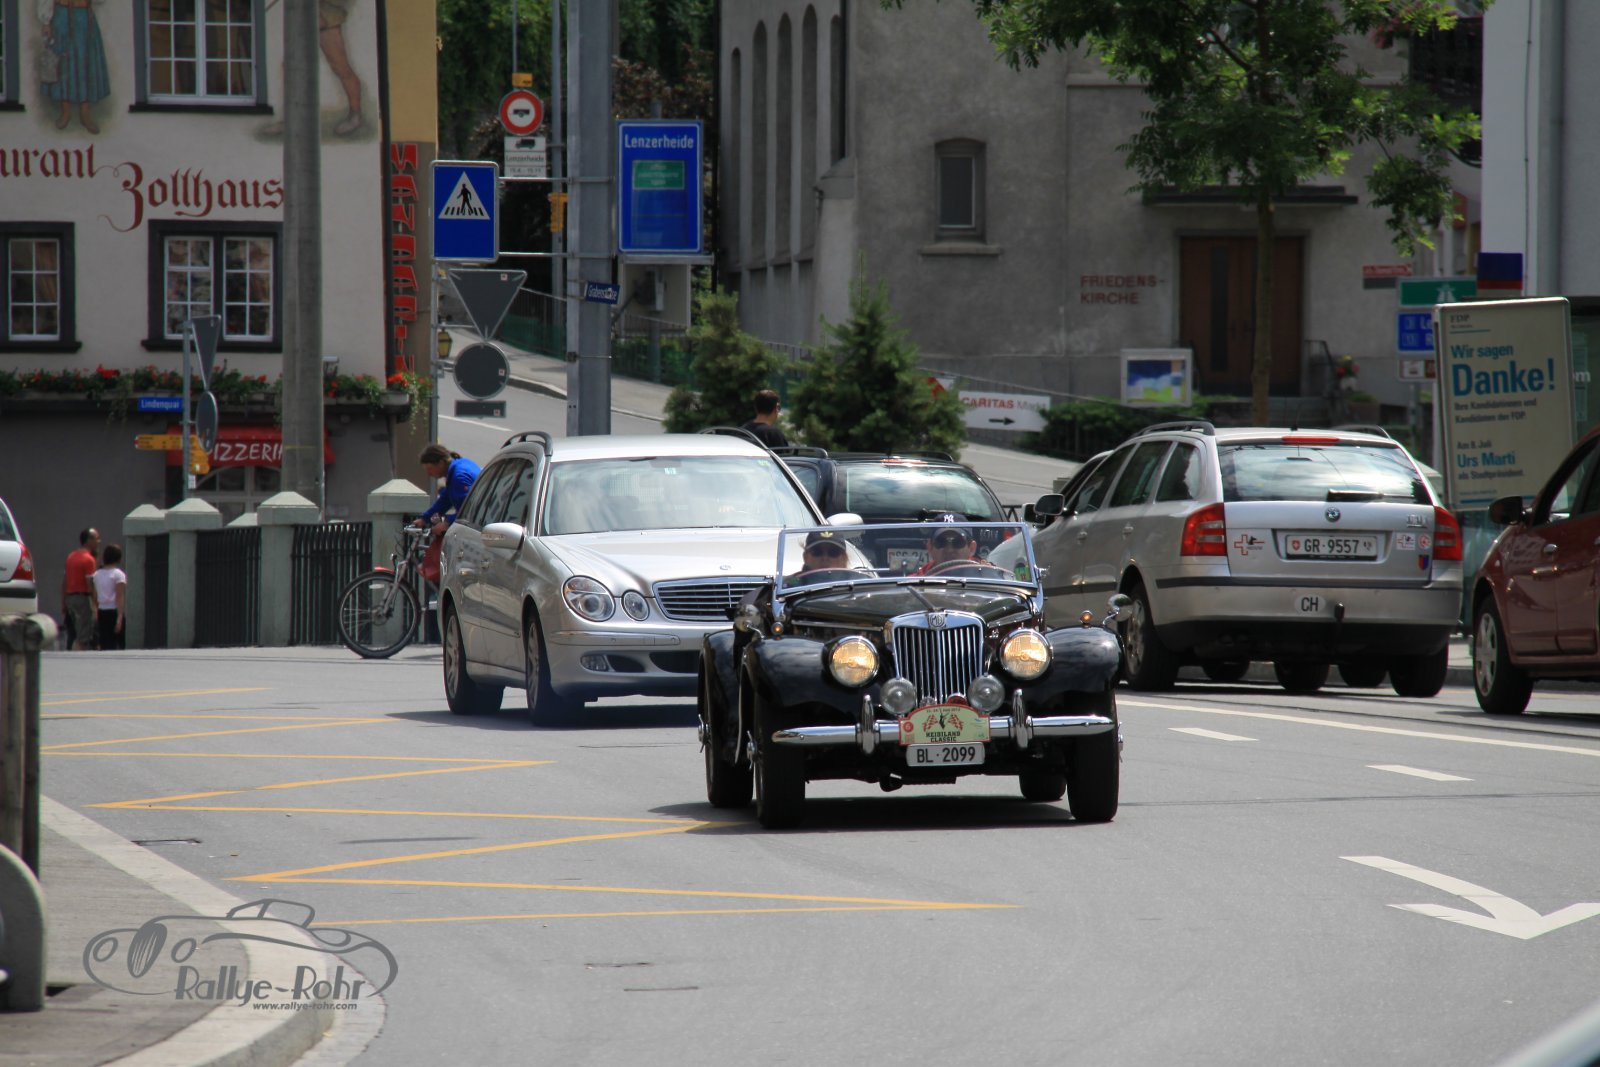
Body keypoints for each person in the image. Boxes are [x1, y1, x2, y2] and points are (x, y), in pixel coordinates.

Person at [412, 443, 481, 537]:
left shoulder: (459, 477)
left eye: (430, 469)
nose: (429, 473)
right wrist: (424, 519)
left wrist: (447, 523)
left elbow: (468, 510)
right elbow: (445, 500)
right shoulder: (459, 467)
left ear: (441, 463)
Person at [61, 526, 100, 650]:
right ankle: (78, 655)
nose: (98, 541)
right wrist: (95, 604)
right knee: (84, 635)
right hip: (83, 599)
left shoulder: (71, 557)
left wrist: (63, 602)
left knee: (75, 632)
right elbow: (90, 583)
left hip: (70, 599)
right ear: (88, 540)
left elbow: (65, 581)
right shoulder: (89, 559)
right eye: (96, 538)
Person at [910, 514, 983, 575]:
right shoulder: (916, 581)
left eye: (958, 542)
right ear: (930, 547)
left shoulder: (985, 576)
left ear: (971, 548)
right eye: (941, 542)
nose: (949, 550)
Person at [92, 543, 127, 651]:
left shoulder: (97, 574)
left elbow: (95, 596)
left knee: (105, 643)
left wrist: (95, 612)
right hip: (113, 610)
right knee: (118, 643)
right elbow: (119, 596)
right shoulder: (118, 574)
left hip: (101, 611)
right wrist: (120, 617)